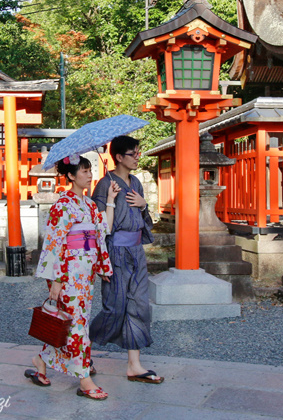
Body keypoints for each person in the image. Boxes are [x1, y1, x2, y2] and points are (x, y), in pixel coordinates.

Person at [26, 155, 116, 400]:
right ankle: (84, 378)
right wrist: (55, 280)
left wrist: (110, 200)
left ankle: (41, 359)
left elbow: (103, 230)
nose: (89, 175)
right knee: (77, 325)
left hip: (84, 274)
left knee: (74, 322)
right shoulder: (62, 204)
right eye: (84, 171)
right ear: (71, 176)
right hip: (66, 273)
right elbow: (54, 242)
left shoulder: (88, 205)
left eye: (89, 170)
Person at [89, 135, 164, 384]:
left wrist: (143, 206)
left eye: (138, 153)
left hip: (136, 254)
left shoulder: (136, 183)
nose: (137, 158)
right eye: (133, 153)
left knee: (139, 305)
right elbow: (99, 225)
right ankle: (80, 349)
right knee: (115, 306)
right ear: (119, 157)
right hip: (115, 252)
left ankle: (134, 365)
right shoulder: (104, 184)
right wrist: (101, 259)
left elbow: (144, 222)